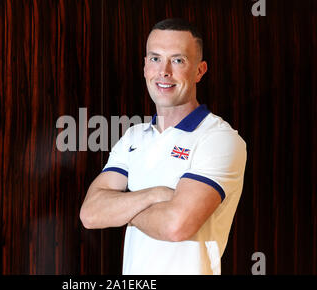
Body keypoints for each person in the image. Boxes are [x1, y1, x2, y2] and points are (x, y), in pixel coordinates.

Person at [79, 18, 247, 275]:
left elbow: (175, 226)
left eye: (178, 60)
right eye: (155, 58)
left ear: (200, 71)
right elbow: (90, 214)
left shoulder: (218, 139)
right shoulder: (133, 137)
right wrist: (155, 194)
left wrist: (121, 210)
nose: (164, 71)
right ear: (145, 66)